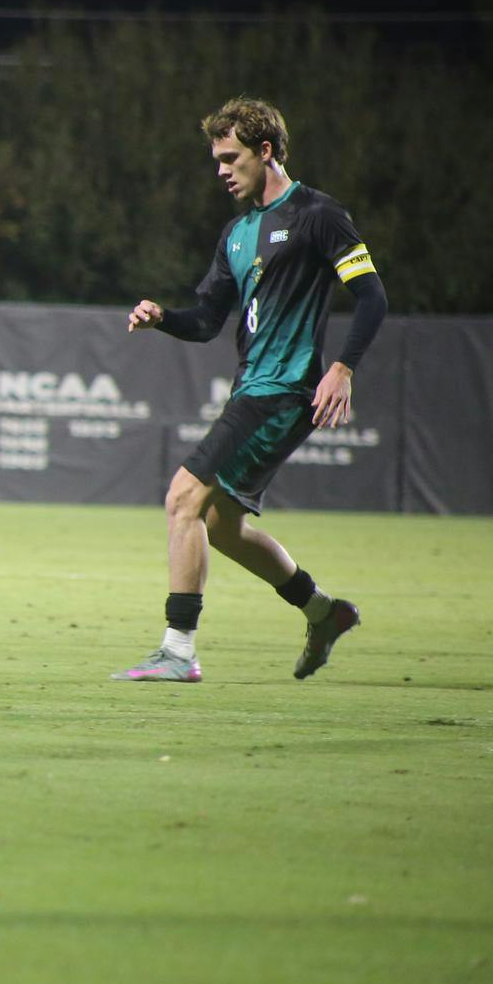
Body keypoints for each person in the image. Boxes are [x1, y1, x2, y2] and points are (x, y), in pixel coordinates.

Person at [116, 97, 387, 683]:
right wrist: (163, 316)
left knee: (182, 498)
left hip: (286, 390)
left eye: (230, 157)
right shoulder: (236, 233)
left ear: (266, 151)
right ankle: (323, 611)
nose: (220, 169)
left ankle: (178, 651)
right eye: (216, 158)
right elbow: (209, 320)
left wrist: (342, 367)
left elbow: (372, 295)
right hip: (252, 388)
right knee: (219, 526)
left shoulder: (318, 214)